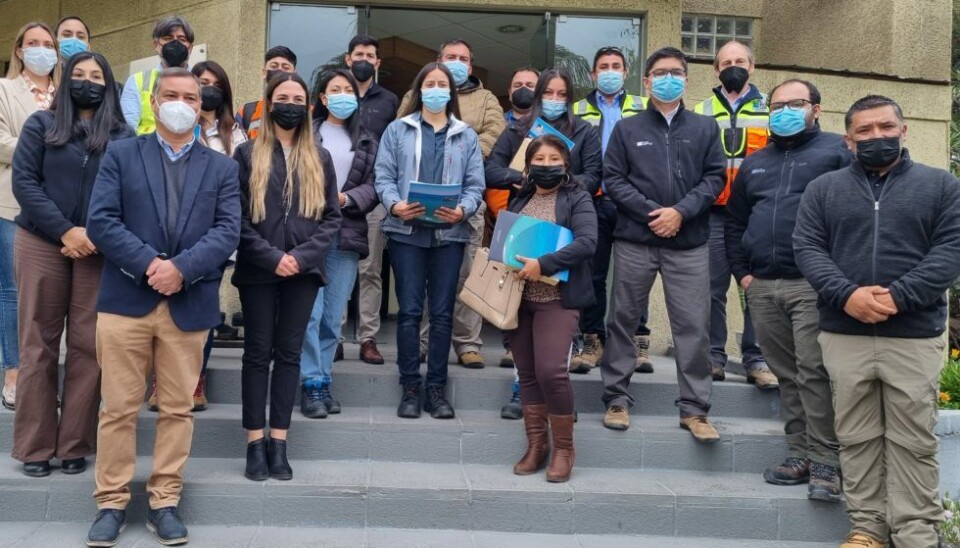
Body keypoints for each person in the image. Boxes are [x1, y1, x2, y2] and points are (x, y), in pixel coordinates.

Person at [84, 67, 241, 548]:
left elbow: (227, 230)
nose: (180, 103)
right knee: (117, 409)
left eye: (190, 97)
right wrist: (153, 265)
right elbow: (102, 221)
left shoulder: (222, 167)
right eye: (170, 95)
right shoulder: (122, 153)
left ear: (200, 106)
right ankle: (110, 503)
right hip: (126, 302)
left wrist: (182, 270)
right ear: (154, 104)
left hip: (187, 304)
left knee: (177, 408)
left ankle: (164, 500)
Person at [794, 95, 960, 548]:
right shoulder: (823, 190)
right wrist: (847, 296)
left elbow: (950, 250)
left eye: (885, 127)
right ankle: (867, 527)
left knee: (913, 439)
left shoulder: (941, 186)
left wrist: (898, 296)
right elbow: (807, 248)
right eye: (864, 131)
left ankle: (915, 533)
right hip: (844, 332)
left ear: (903, 130)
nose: (876, 137)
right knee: (856, 435)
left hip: (912, 334)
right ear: (848, 140)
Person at [10, 51, 134, 478]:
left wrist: (93, 235)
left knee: (88, 347)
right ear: (66, 82)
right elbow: (25, 182)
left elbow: (128, 194)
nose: (87, 81)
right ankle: (35, 447)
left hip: (98, 251)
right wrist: (65, 230)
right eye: (78, 74)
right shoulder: (41, 125)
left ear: (109, 84)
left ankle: (75, 443)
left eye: (96, 75)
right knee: (38, 345)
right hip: (42, 241)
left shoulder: (122, 136)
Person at [725, 79, 849, 501]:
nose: (784, 111)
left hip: (813, 285)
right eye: (777, 105)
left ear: (816, 107)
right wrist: (743, 274)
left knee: (815, 372)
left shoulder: (837, 152)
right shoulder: (754, 163)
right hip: (763, 286)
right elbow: (735, 223)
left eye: (795, 103)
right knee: (787, 375)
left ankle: (826, 462)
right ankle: (799, 454)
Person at [599, 47, 726, 442]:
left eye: (676, 72)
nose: (668, 78)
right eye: (659, 73)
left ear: (687, 80)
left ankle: (694, 410)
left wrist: (681, 213)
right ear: (647, 81)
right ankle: (617, 399)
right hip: (637, 239)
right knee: (622, 320)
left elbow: (714, 179)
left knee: (693, 327)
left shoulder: (706, 128)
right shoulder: (627, 128)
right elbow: (614, 179)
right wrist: (655, 213)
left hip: (688, 243)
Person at [233, 72, 341, 481]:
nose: (291, 104)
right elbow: (236, 218)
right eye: (283, 96)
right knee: (258, 354)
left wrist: (300, 257)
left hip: (304, 272)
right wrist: (271, 257)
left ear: (309, 106)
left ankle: (279, 441)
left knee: (291, 354)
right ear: (269, 101)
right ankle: (254, 442)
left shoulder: (320, 156)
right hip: (259, 270)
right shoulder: (246, 154)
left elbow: (331, 218)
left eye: (299, 97)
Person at [375, 62, 484, 419]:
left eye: (443, 84)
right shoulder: (397, 130)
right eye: (430, 83)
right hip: (407, 234)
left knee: (441, 314)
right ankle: (409, 386)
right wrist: (395, 204)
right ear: (419, 89)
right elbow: (384, 176)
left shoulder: (465, 134)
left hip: (449, 234)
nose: (436, 89)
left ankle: (436, 388)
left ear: (451, 93)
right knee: (407, 312)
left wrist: (464, 210)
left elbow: (475, 184)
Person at [399, 39, 505, 368]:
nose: (457, 63)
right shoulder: (413, 94)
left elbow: (495, 133)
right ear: (438, 61)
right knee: (429, 280)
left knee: (467, 275)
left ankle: (468, 343)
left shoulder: (486, 98)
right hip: (419, 203)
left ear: (471, 66)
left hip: (465, 203)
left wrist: (460, 143)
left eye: (463, 59)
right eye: (450, 58)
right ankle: (424, 342)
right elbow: (402, 130)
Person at [506, 134, 597, 483]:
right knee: (527, 374)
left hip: (558, 300)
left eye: (553, 159)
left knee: (551, 371)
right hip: (519, 301)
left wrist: (543, 264)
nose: (546, 166)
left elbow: (588, 242)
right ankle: (536, 446)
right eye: (539, 160)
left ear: (566, 164)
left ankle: (564, 449)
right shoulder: (520, 198)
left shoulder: (578, 197)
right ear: (528, 166)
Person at [693, 40, 776, 388]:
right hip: (712, 213)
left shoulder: (771, 110)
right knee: (712, 288)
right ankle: (714, 355)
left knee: (755, 288)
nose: (733, 66)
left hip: (754, 214)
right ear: (716, 69)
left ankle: (756, 359)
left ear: (752, 66)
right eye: (725, 62)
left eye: (740, 61)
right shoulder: (700, 109)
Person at [299, 68, 379, 419]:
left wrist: (349, 199)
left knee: (333, 317)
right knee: (309, 314)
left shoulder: (365, 139)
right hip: (309, 234)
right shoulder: (306, 134)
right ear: (323, 97)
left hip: (346, 233)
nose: (343, 94)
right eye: (335, 89)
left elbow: (377, 184)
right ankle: (311, 383)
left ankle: (324, 379)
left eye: (348, 89)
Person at [571, 46, 651, 375]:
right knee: (593, 275)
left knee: (637, 276)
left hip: (634, 202)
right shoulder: (575, 110)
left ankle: (636, 340)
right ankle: (593, 340)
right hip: (592, 201)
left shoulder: (644, 107)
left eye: (616, 66)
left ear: (626, 73)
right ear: (592, 74)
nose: (610, 71)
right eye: (603, 66)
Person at [0, 21, 60, 412]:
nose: (42, 49)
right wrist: (45, 146)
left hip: (58, 210)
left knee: (50, 298)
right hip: (11, 204)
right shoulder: (4, 90)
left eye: (48, 44)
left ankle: (43, 375)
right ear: (20, 50)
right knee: (13, 292)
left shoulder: (66, 94)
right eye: (33, 43)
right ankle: (13, 372)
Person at [339, 34, 399, 366]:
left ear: (378, 62)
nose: (364, 59)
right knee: (333, 267)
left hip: (373, 196)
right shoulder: (336, 92)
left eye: (370, 55)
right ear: (348, 59)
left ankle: (367, 337)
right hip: (335, 196)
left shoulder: (390, 100)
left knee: (371, 269)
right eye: (358, 54)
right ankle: (332, 336)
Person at [494, 66, 539, 421]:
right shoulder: (512, 131)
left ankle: (548, 390)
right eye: (518, 84)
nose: (525, 90)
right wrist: (522, 177)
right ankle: (519, 386)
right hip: (520, 223)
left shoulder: (579, 131)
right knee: (518, 304)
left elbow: (592, 175)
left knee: (555, 310)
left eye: (533, 86)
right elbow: (489, 170)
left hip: (560, 226)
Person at [120, 15, 195, 135]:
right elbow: (127, 130)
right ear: (156, 44)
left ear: (190, 47)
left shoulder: (201, 80)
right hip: (145, 150)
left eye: (181, 39)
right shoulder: (137, 81)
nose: (175, 43)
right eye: (168, 38)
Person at [237, 46, 297, 140]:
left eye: (285, 67)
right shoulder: (246, 112)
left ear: (294, 73)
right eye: (274, 66)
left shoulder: (309, 111)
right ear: (264, 72)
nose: (279, 70)